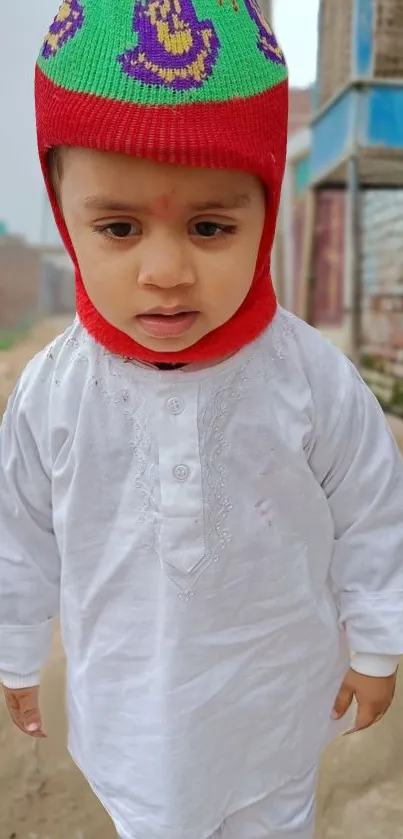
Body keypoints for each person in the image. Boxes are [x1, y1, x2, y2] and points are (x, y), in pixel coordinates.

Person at [1, 2, 402, 838]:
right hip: (130, 719)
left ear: (262, 215)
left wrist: (375, 645)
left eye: (210, 226)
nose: (164, 271)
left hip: (275, 706)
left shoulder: (308, 377)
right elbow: (20, 537)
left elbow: (371, 512)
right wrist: (13, 654)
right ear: (66, 217)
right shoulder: (54, 390)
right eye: (117, 227)